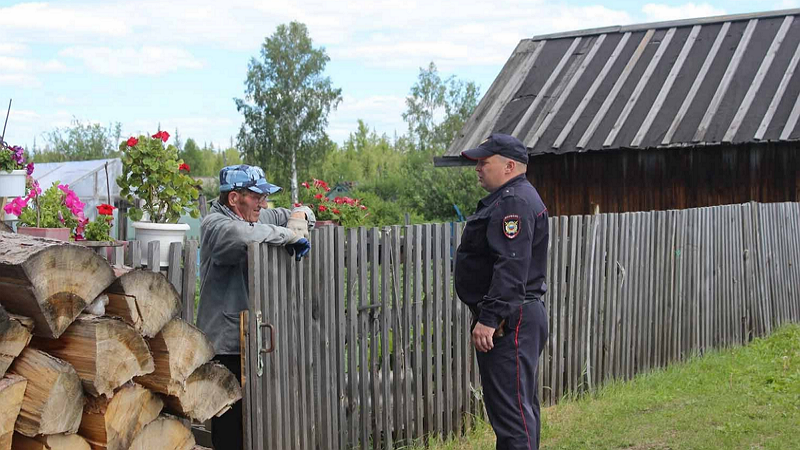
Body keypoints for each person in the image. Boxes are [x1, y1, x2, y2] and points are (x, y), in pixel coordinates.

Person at [196, 164, 315, 450]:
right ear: (234, 198)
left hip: (250, 338)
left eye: (264, 197)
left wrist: (301, 216)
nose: (263, 203)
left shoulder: (258, 215)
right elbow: (243, 235)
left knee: (257, 421)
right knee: (229, 424)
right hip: (224, 343)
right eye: (256, 196)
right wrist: (290, 236)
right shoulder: (214, 224)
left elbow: (301, 212)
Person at [454, 134, 549, 450]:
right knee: (520, 410)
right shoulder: (515, 197)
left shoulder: (513, 202)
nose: (478, 168)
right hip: (517, 315)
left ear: (509, 166)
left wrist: (490, 318)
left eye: (484, 162)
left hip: (510, 319)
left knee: (512, 418)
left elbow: (510, 267)